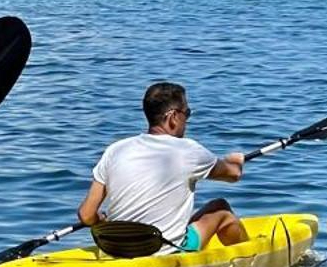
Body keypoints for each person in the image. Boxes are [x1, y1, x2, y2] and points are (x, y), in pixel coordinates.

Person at [79, 81, 247, 251]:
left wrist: (99, 220)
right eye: (187, 113)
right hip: (166, 250)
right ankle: (248, 258)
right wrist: (236, 160)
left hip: (115, 249)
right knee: (221, 208)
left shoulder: (115, 150)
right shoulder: (189, 150)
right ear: (173, 117)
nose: (187, 120)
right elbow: (233, 174)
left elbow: (86, 215)